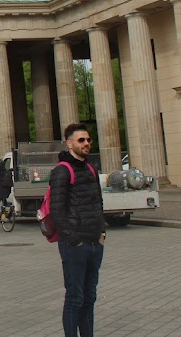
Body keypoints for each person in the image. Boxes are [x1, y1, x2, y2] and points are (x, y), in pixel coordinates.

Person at [50, 123, 105, 337]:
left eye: (88, 140)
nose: (86, 143)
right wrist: (74, 239)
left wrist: (102, 234)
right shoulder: (62, 171)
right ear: (70, 143)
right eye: (81, 140)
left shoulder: (91, 168)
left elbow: (98, 203)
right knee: (75, 298)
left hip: (94, 243)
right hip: (75, 245)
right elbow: (57, 210)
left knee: (89, 297)